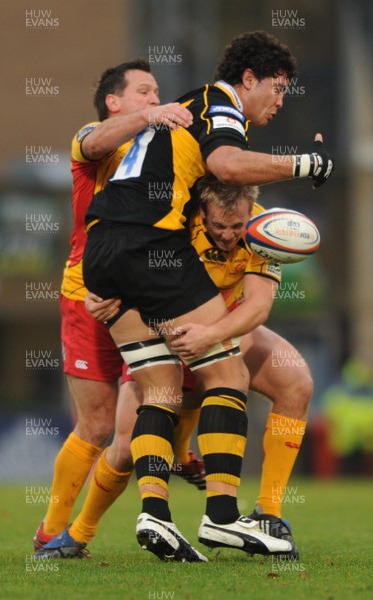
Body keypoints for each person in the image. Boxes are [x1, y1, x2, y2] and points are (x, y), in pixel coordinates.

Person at [79, 30, 333, 563]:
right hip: (151, 244)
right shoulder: (220, 104)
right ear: (248, 80)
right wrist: (306, 166)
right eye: (278, 87)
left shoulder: (185, 111)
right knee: (229, 374)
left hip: (102, 249)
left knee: (161, 387)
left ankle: (156, 515)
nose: (281, 100)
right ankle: (221, 518)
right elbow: (227, 165)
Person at [36, 175, 312, 561]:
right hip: (159, 327)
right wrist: (101, 294)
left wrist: (210, 333)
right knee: (124, 445)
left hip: (222, 329)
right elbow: (126, 259)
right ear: (202, 211)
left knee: (296, 381)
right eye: (219, 226)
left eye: (237, 225)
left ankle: (268, 512)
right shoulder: (173, 224)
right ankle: (76, 533)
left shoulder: (262, 230)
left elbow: (257, 307)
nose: (229, 235)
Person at [33, 59, 198, 553]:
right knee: (97, 425)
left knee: (130, 437)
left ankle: (84, 532)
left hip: (144, 294)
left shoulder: (163, 151)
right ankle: (49, 534)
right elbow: (93, 143)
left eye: (157, 93)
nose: (154, 99)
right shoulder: (96, 137)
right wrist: (154, 115)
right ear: (114, 101)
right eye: (144, 92)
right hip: (86, 293)